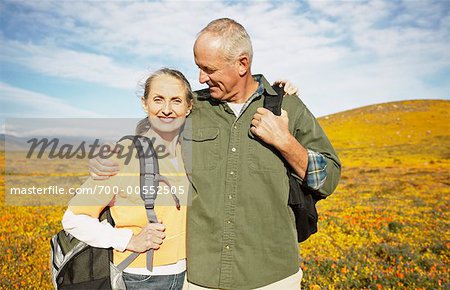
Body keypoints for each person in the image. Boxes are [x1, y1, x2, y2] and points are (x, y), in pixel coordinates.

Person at [91, 18, 341, 289]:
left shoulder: (287, 106)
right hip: (201, 277)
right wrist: (107, 157)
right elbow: (144, 141)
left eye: (209, 69)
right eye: (198, 67)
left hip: (274, 276)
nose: (200, 78)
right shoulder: (192, 107)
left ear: (242, 64)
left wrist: (285, 142)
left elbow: (329, 178)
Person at [62, 68, 193, 290]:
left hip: (188, 275)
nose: (167, 109)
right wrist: (128, 240)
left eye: (176, 101)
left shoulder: (188, 151)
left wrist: (273, 93)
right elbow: (73, 219)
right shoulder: (124, 154)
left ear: (189, 107)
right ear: (145, 104)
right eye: (158, 99)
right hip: (141, 278)